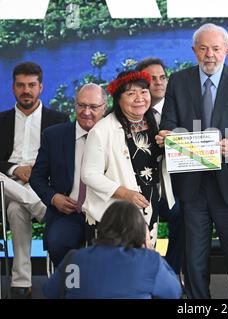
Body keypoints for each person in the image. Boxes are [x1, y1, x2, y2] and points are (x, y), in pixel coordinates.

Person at [156, 23, 228, 299]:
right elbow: (168, 122)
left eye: (215, 48)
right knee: (194, 257)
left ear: (226, 51)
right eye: (203, 48)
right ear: (194, 51)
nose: (209, 54)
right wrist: (167, 135)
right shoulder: (178, 81)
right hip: (192, 185)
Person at [81, 70, 174, 248]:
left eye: (144, 92)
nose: (139, 98)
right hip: (113, 212)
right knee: (113, 266)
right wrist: (125, 193)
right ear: (118, 99)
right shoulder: (102, 130)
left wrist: (171, 144)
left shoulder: (157, 122)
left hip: (148, 204)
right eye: (131, 93)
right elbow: (89, 174)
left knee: (142, 261)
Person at [0, 62, 69, 299]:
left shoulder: (59, 118)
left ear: (41, 87)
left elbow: (62, 160)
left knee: (16, 209)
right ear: (13, 88)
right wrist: (14, 169)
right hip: (9, 183)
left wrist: (37, 174)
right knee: (10, 195)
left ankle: (21, 283)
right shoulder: (1, 120)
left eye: (31, 85)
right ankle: (42, 208)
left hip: (43, 183)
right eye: (20, 85)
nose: (25, 90)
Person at [29, 84, 107, 267]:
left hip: (106, 213)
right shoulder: (53, 135)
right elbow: (36, 177)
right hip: (70, 213)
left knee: (115, 249)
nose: (86, 112)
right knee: (58, 243)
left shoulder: (115, 136)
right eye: (81, 105)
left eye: (93, 107)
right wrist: (54, 198)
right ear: (75, 105)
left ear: (104, 107)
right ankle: (72, 288)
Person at [42, 200, 182, 299]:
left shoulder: (74, 259)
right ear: (139, 231)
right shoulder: (149, 261)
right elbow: (174, 292)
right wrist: (150, 251)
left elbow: (49, 292)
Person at [135, 58, 184, 275]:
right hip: (140, 188)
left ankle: (171, 276)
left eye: (162, 77)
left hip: (176, 186)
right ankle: (145, 276)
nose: (158, 83)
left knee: (186, 216)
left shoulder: (182, 110)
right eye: (151, 79)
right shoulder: (129, 114)